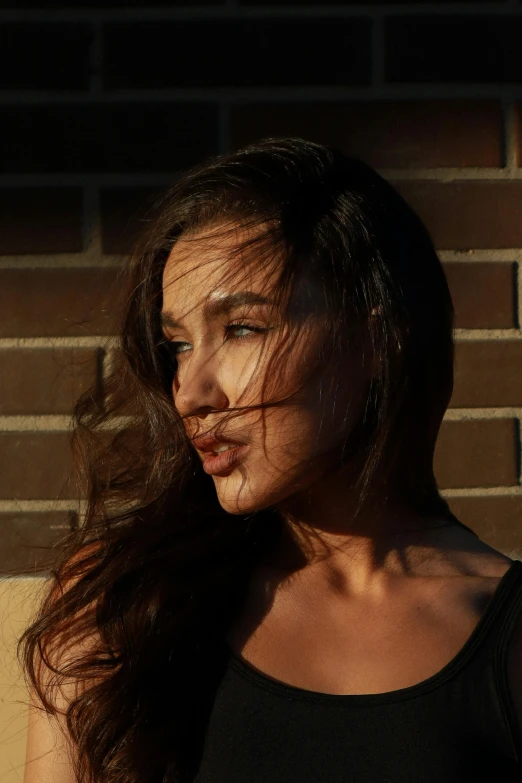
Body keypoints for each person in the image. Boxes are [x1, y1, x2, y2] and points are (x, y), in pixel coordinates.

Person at [20, 137, 522, 783]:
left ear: (375, 338)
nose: (193, 392)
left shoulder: (504, 635)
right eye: (177, 344)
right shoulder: (124, 600)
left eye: (242, 329)